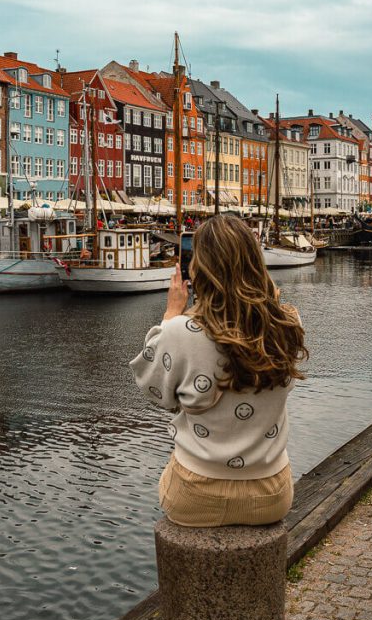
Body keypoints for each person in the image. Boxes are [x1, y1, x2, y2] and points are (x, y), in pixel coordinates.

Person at [130, 214, 307, 528]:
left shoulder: (182, 332)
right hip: (270, 492)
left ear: (200, 268)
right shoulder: (288, 324)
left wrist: (170, 315)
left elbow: (155, 390)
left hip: (195, 492)